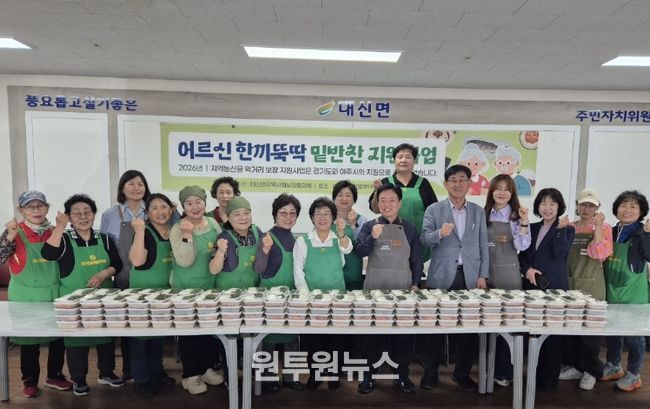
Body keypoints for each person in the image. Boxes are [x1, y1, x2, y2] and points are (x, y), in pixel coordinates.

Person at [41, 194, 125, 396]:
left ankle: (107, 373)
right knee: (76, 341)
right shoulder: (64, 239)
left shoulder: (105, 239)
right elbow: (48, 254)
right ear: (69, 217)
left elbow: (117, 264)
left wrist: (104, 274)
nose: (83, 216)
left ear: (94, 214)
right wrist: (60, 227)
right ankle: (78, 379)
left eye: (87, 212)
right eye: (76, 213)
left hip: (103, 299)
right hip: (74, 303)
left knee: (105, 337)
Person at [416, 164, 489, 391]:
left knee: (468, 330)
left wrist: (483, 275)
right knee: (435, 328)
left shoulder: (478, 211)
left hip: (469, 277)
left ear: (469, 183)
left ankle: (462, 374)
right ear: (446, 184)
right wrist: (440, 233)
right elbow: (424, 239)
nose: (458, 184)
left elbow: (483, 246)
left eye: (462, 180)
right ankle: (430, 373)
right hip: (441, 277)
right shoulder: (434, 210)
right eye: (453, 180)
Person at [0, 191, 72, 398]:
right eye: (30, 207)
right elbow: (1, 257)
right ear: (21, 210)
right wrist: (9, 235)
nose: (36, 210)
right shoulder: (14, 231)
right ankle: (29, 380)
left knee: (58, 339)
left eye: (40, 206)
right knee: (28, 342)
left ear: (47, 208)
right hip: (25, 296)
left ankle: (54, 375)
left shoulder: (55, 231)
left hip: (53, 292)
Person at [355, 184, 423, 394]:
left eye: (392, 200)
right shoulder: (369, 226)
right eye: (382, 200)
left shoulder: (409, 228)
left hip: (402, 289)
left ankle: (402, 375)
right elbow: (359, 251)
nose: (387, 204)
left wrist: (415, 283)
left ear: (399, 203)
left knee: (402, 336)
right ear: (377, 203)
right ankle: (368, 376)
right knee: (372, 335)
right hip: (375, 288)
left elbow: (417, 259)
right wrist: (372, 237)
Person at [293, 197, 352, 390]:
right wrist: (305, 296)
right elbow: (298, 270)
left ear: (334, 218)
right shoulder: (303, 241)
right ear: (312, 218)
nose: (322, 217)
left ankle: (334, 374)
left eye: (327, 214)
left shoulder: (338, 238)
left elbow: (348, 248)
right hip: (313, 300)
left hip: (337, 299)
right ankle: (315, 374)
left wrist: (342, 233)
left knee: (336, 338)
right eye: (318, 214)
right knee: (314, 338)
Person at [169, 185, 223, 395]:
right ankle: (190, 376)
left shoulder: (213, 223)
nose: (194, 207)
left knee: (207, 332)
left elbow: (220, 251)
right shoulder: (178, 228)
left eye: (198, 202)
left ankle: (205, 369)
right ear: (183, 207)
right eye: (189, 203)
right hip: (185, 288)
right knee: (189, 334)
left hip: (209, 286)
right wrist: (187, 234)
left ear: (205, 203)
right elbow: (184, 260)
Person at [519, 188, 575, 390]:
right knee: (533, 331)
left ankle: (548, 380)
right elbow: (522, 254)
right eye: (543, 203)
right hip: (532, 286)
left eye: (552, 204)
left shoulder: (567, 229)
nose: (548, 208)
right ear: (538, 206)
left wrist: (559, 229)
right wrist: (527, 269)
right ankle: (532, 374)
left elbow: (560, 254)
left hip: (554, 288)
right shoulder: (531, 227)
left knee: (552, 334)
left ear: (559, 207)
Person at [100, 170, 151, 381]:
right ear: (122, 188)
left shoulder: (154, 209)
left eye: (140, 183)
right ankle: (129, 368)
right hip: (123, 276)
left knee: (152, 323)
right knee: (127, 324)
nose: (136, 188)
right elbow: (105, 247)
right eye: (131, 183)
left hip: (151, 276)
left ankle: (153, 369)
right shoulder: (110, 214)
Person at [560, 189, 612, 390]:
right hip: (571, 284)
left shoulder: (604, 228)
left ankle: (591, 371)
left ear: (597, 208)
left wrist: (597, 227)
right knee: (572, 330)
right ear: (577, 206)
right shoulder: (570, 227)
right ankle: (576, 367)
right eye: (583, 205)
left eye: (591, 206)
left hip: (592, 285)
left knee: (590, 333)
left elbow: (599, 253)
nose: (587, 209)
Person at [253, 193, 304, 392]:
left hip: (291, 294)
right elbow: (258, 268)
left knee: (292, 338)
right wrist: (265, 250)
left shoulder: (297, 239)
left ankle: (291, 377)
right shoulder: (267, 237)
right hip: (270, 295)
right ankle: (266, 378)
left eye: (292, 213)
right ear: (275, 215)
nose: (288, 217)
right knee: (268, 339)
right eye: (283, 213)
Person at [483, 175, 531, 387]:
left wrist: (524, 222)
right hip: (486, 274)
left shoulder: (516, 216)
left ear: (512, 193)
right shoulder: (483, 214)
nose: (502, 193)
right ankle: (488, 368)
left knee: (508, 324)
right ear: (491, 191)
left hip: (508, 276)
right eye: (498, 188)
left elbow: (522, 245)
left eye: (507, 189)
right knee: (487, 323)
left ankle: (505, 371)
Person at [128, 193, 177, 398]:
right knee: (140, 339)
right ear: (147, 213)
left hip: (163, 294)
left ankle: (156, 372)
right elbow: (137, 261)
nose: (160, 212)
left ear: (171, 210)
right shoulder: (144, 231)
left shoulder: (174, 231)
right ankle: (141, 379)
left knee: (157, 337)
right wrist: (139, 232)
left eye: (164, 207)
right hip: (142, 294)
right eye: (154, 208)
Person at [601, 190, 650, 392]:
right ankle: (614, 365)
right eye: (623, 205)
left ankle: (634, 374)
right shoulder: (610, 231)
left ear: (641, 212)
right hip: (612, 287)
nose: (627, 210)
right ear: (616, 209)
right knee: (613, 330)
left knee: (634, 336)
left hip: (633, 294)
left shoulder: (641, 233)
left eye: (633, 206)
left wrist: (648, 235)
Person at [368, 143, 437, 261]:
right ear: (394, 160)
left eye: (408, 157)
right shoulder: (385, 182)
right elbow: (375, 209)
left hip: (417, 237)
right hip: (390, 237)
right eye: (400, 157)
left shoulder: (423, 183)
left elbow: (433, 210)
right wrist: (377, 191)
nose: (403, 160)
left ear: (414, 161)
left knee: (415, 268)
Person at [209, 196, 262, 289]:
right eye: (237, 214)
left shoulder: (257, 232)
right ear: (228, 218)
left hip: (251, 291)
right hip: (227, 292)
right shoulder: (224, 238)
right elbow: (213, 270)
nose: (243, 217)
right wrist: (221, 251)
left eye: (246, 213)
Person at [332, 181, 367, 290]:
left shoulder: (362, 220)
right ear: (334, 198)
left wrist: (353, 225)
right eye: (340, 195)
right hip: (332, 273)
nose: (344, 198)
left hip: (354, 272)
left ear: (354, 199)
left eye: (348, 195)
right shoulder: (327, 220)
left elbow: (365, 246)